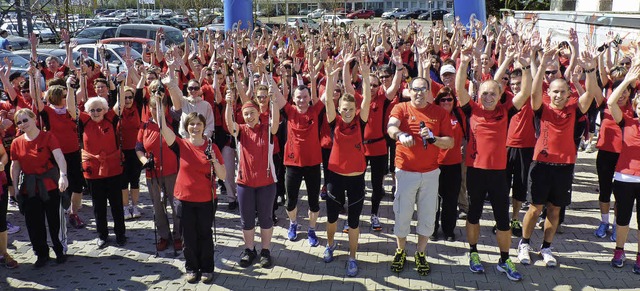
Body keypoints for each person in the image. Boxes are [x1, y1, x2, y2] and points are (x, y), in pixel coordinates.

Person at [455, 39, 532, 281]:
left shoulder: (506, 110)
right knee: (473, 215)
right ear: (478, 95)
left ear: (500, 95)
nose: (488, 97)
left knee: (502, 219)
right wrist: (464, 62)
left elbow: (526, 92)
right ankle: (473, 253)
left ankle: (504, 258)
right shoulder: (473, 110)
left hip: (499, 173)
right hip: (476, 172)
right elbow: (459, 91)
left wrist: (527, 67)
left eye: (493, 93)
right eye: (484, 93)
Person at [517, 46, 599, 268]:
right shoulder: (542, 108)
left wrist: (590, 70)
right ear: (549, 93)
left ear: (569, 94)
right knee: (534, 209)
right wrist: (541, 64)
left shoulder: (574, 108)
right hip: (541, 165)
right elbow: (534, 94)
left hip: (564, 166)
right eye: (554, 92)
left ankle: (546, 247)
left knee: (554, 209)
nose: (558, 95)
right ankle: (524, 244)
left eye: (563, 92)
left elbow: (590, 95)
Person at [157, 88, 226, 284]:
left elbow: (223, 175)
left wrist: (214, 161)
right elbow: (163, 128)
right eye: (192, 124)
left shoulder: (212, 147)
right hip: (184, 199)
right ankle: (191, 268)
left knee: (205, 235)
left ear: (204, 126)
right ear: (187, 127)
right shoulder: (181, 145)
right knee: (188, 237)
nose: (195, 127)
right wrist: (159, 104)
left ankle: (207, 269)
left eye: (199, 124)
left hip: (206, 199)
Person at [387, 76, 454, 275]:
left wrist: (433, 139)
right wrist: (400, 134)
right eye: (415, 89)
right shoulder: (401, 108)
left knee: (427, 215)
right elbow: (391, 126)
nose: (419, 93)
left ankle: (420, 253)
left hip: (431, 173)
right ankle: (400, 251)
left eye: (423, 89)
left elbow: (449, 142)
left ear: (428, 91)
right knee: (403, 214)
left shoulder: (439, 113)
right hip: (406, 171)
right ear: (409, 90)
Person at [322, 56, 372, 277]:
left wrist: (367, 78)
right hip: (335, 177)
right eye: (345, 108)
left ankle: (352, 257)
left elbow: (368, 100)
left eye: (351, 108)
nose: (348, 111)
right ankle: (330, 244)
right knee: (332, 219)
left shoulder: (360, 121)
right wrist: (331, 77)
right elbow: (327, 102)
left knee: (353, 222)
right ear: (340, 108)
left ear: (355, 108)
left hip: (356, 179)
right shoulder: (335, 121)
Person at [225, 81, 279, 269]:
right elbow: (230, 123)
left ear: (259, 114)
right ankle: (249, 250)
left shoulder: (267, 129)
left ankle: (265, 251)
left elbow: (276, 121)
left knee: (265, 218)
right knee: (246, 219)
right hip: (244, 183)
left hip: (266, 182)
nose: (249, 117)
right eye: (246, 114)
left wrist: (273, 101)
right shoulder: (241, 130)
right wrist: (227, 104)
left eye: (252, 113)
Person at [70, 74, 127, 249]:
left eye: (98, 110)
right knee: (98, 205)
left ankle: (120, 234)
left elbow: (121, 104)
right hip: (93, 170)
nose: (95, 113)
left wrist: (122, 85)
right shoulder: (85, 121)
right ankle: (102, 235)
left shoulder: (111, 117)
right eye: (92, 110)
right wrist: (71, 89)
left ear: (104, 109)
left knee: (116, 204)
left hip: (113, 168)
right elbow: (71, 108)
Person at [10, 108, 69, 267]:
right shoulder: (16, 142)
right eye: (19, 122)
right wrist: (15, 188)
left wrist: (63, 175)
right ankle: (41, 254)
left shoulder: (48, 136)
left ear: (34, 118)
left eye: (25, 120)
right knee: (34, 223)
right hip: (29, 188)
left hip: (49, 185)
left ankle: (60, 250)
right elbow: (15, 166)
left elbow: (59, 157)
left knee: (55, 220)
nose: (23, 124)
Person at [136, 80, 182, 252]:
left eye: (159, 107)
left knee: (176, 205)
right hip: (152, 172)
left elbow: (178, 106)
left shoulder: (172, 121)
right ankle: (164, 235)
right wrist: (143, 161)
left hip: (173, 172)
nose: (156, 111)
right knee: (158, 205)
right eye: (153, 108)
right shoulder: (145, 125)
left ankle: (179, 235)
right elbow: (139, 148)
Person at [34, 77, 85, 229]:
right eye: (64, 96)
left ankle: (73, 213)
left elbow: (73, 101)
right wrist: (34, 78)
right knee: (60, 186)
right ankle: (60, 211)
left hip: (74, 153)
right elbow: (37, 99)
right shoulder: (48, 111)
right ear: (56, 97)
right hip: (56, 154)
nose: (67, 97)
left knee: (77, 186)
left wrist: (70, 87)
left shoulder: (71, 112)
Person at [606, 62, 640, 274]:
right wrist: (627, 80)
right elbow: (610, 102)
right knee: (623, 218)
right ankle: (619, 251)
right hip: (625, 179)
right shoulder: (627, 121)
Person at [431, 86, 465, 242]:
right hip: (435, 163)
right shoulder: (433, 116)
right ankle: (432, 228)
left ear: (454, 101)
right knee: (433, 200)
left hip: (453, 163)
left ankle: (448, 229)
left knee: (451, 200)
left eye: (449, 99)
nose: (445, 102)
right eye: (442, 99)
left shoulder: (459, 115)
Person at [119, 86, 143, 220]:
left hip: (136, 151)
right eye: (125, 97)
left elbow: (139, 91)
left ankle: (135, 205)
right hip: (121, 151)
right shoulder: (118, 110)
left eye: (130, 97)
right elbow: (113, 92)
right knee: (123, 181)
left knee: (135, 179)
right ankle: (125, 206)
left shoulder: (137, 108)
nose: (127, 100)